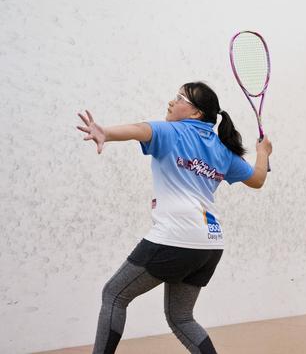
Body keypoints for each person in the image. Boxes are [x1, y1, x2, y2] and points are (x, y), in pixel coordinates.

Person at [76, 81, 272, 354]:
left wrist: (105, 132)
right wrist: (263, 153)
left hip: (175, 238)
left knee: (114, 295)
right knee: (181, 317)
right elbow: (258, 179)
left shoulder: (171, 132)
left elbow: (138, 130)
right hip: (210, 245)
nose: (171, 101)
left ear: (195, 113)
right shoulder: (222, 151)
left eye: (179, 98)